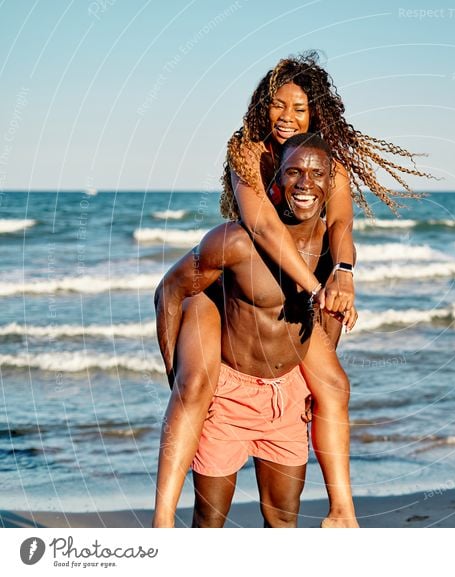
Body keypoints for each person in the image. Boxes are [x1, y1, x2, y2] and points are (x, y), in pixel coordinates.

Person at [153, 52, 433, 528]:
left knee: (334, 385)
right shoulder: (247, 150)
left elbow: (342, 222)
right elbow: (261, 223)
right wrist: (315, 285)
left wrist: (343, 272)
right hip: (227, 284)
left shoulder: (328, 163)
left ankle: (343, 511)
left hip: (289, 292)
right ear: (263, 107)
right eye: (277, 105)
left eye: (299, 108)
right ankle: (161, 524)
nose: (286, 117)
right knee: (194, 385)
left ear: (316, 112)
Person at [155, 134, 340, 527]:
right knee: (209, 523)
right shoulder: (235, 242)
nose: (306, 182)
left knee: (282, 523)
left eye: (316, 173)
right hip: (228, 399)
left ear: (331, 183)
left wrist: (315, 384)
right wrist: (179, 380)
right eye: (294, 172)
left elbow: (330, 313)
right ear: (276, 183)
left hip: (287, 399)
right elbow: (170, 290)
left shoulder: (330, 249)